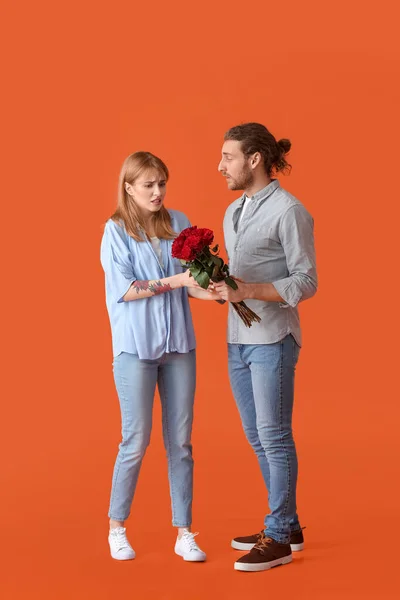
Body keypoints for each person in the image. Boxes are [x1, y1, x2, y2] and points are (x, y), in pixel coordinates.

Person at [100, 151, 219, 562]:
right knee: (135, 440)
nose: (157, 192)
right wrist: (177, 280)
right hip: (135, 350)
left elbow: (191, 284)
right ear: (129, 188)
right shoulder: (114, 232)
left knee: (181, 443)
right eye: (148, 185)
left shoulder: (179, 223)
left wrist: (218, 293)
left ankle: (184, 532)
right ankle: (117, 528)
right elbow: (128, 289)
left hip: (180, 347)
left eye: (162, 184)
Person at [214, 123, 318, 572]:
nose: (221, 166)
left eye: (228, 157)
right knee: (257, 436)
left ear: (254, 159)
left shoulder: (290, 211)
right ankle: (288, 524)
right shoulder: (233, 210)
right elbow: (235, 281)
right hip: (238, 339)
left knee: (274, 436)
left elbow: (306, 280)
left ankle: (277, 536)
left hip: (274, 339)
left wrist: (248, 289)